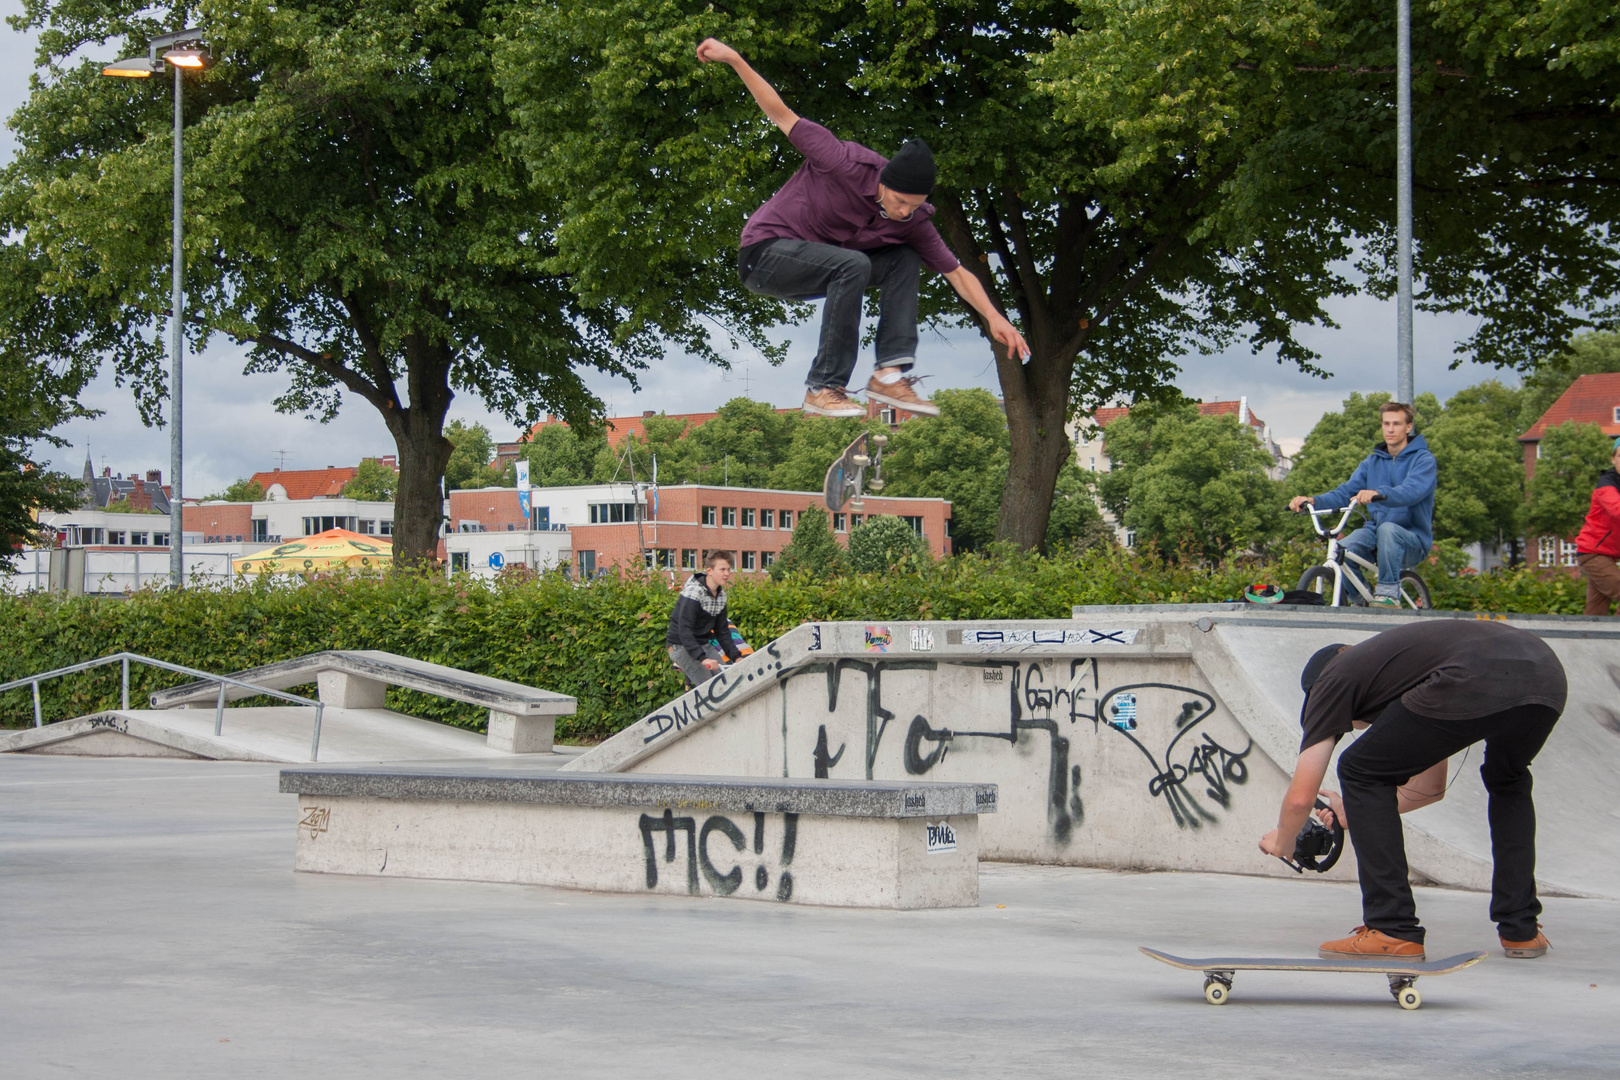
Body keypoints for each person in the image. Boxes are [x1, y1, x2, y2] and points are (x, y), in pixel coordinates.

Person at [695, 38, 1030, 419]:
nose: (904, 212)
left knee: (904, 256)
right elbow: (781, 114)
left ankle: (889, 373)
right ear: (883, 182)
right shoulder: (840, 161)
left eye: (914, 206)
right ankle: (822, 386)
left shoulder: (914, 221)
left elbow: (956, 272)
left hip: (820, 265)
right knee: (853, 263)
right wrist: (736, 59)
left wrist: (995, 317)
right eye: (899, 201)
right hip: (765, 255)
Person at [1260, 621, 1566, 960]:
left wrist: (1283, 841)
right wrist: (1358, 812)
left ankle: (1392, 928)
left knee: (1358, 768)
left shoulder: (1333, 678)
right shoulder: (1405, 670)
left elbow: (1302, 795)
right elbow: (1430, 788)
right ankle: (1521, 929)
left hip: (1473, 675)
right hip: (1545, 675)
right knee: (1508, 780)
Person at [1288, 401, 1436, 608]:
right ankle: (1361, 599)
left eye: (1397, 424)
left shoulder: (1423, 460)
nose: (1390, 429)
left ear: (1408, 427)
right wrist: (1313, 500)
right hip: (1375, 534)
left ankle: (1388, 594)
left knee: (1388, 530)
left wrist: (1378, 493)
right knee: (1342, 550)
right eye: (1386, 424)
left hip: (1411, 540)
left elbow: (1412, 491)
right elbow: (1345, 492)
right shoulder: (1372, 462)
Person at [666, 551, 743, 687]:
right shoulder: (694, 593)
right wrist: (703, 658)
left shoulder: (720, 597)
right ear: (710, 571)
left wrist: (736, 657)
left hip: (703, 645)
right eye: (722, 569)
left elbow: (722, 632)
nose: (727, 574)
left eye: (729, 569)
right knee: (712, 688)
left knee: (728, 683)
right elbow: (684, 630)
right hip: (680, 646)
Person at [1574, 436, 1620, 616]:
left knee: (1595, 613)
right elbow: (1617, 509)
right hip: (1593, 555)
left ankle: (1588, 641)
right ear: (1613, 459)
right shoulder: (1606, 485)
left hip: (1608, 557)